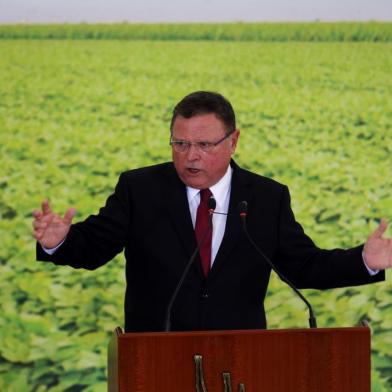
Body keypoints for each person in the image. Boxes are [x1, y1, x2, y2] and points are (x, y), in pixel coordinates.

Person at [33, 91, 390, 332]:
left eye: (204, 145)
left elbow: (304, 265)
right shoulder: (140, 189)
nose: (190, 156)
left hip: (238, 360)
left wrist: (365, 260)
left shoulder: (267, 197)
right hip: (155, 357)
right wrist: (60, 242)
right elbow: (95, 247)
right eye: (180, 143)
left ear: (233, 142)